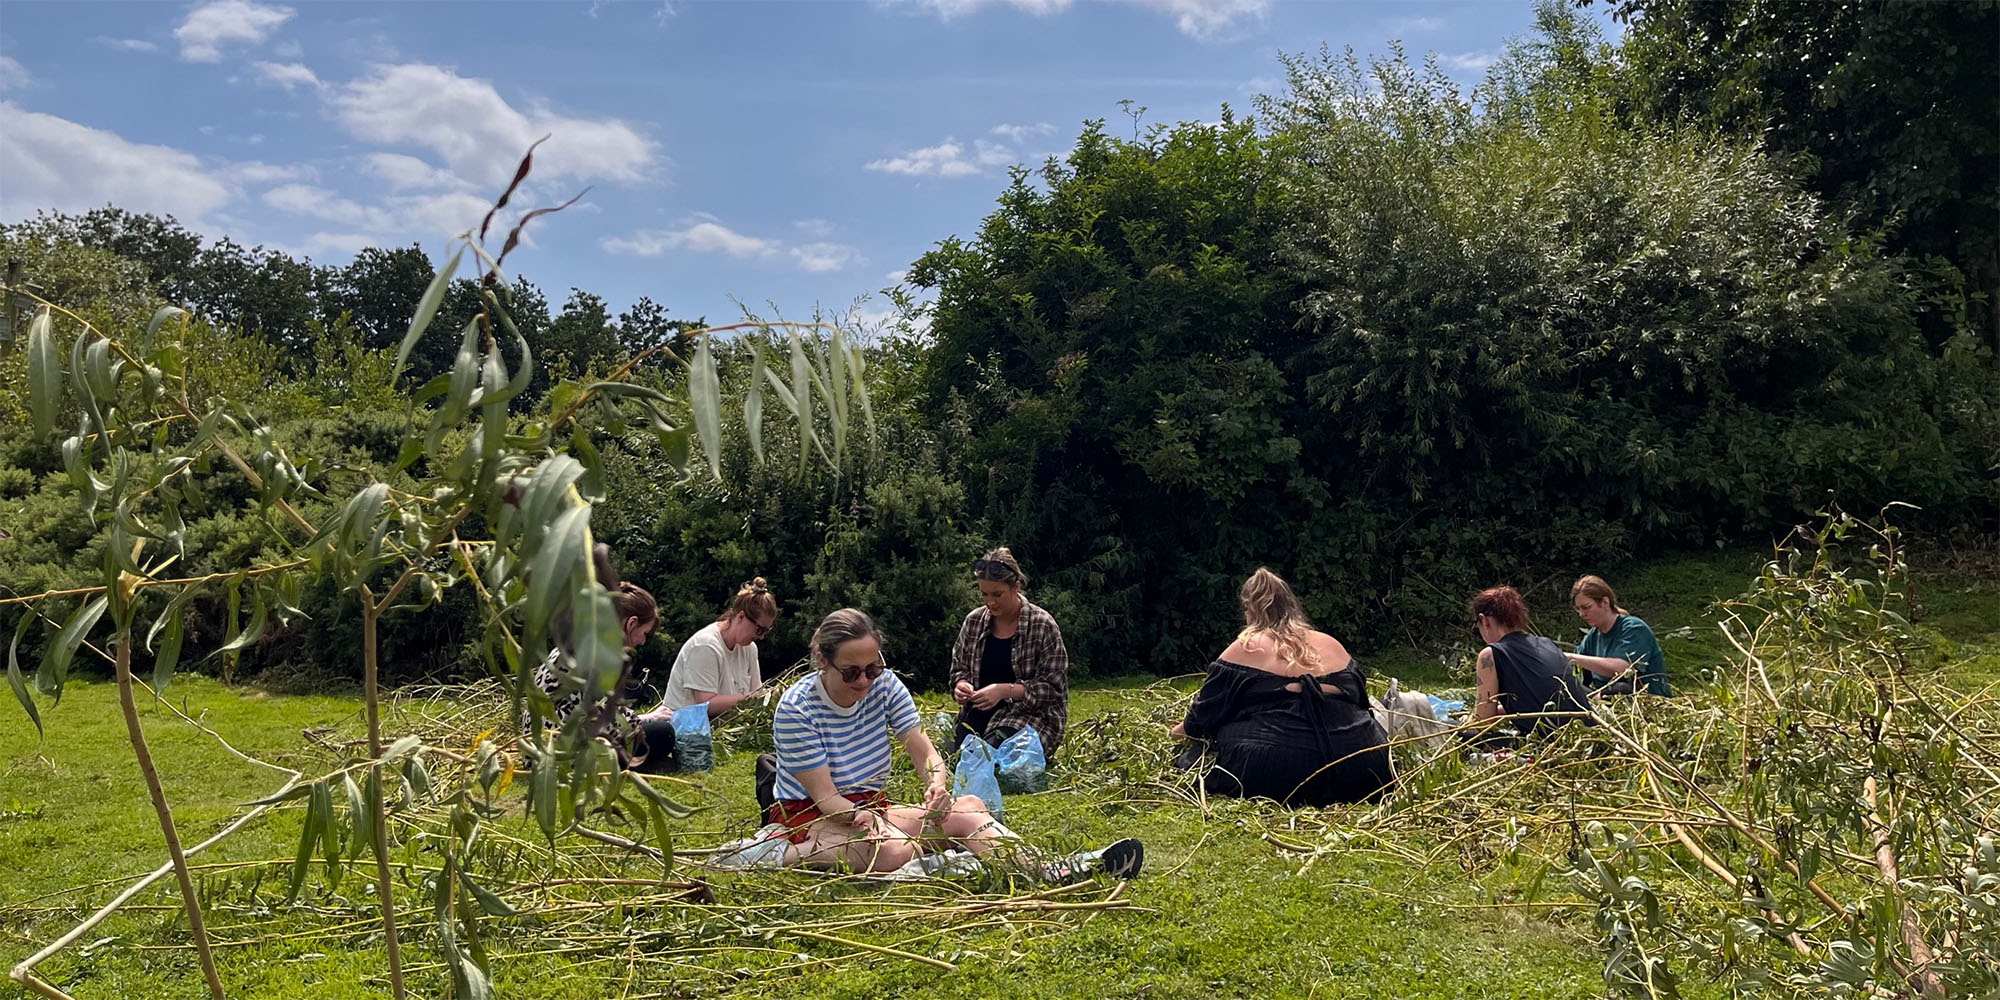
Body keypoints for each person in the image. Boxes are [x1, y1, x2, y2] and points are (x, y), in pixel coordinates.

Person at [758, 608, 1141, 879]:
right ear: (823, 662)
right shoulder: (797, 708)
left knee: (969, 808)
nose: (865, 681)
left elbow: (922, 749)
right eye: (852, 672)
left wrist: (937, 784)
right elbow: (825, 799)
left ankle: (1050, 868)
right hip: (812, 817)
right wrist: (863, 818)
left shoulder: (886, 686)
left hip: (870, 807)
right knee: (895, 849)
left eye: (873, 668)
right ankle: (780, 854)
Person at [1168, 568, 1394, 806]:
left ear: (1250, 610)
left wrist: (1174, 732)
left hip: (1276, 770)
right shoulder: (1333, 645)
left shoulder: (1245, 647)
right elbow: (1362, 704)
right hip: (1365, 766)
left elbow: (1201, 722)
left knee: (1208, 748)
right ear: (1292, 606)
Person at [530, 544, 677, 774]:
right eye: (644, 633)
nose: (642, 641)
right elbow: (602, 716)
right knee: (664, 733)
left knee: (654, 731)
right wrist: (646, 720)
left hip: (538, 747)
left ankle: (638, 762)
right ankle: (636, 764)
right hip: (563, 751)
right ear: (631, 623)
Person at [949, 548, 1070, 756]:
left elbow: (1052, 689)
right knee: (957, 756)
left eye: (997, 594)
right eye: (984, 594)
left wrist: (1004, 690)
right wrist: (961, 685)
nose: (990, 602)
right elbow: (959, 668)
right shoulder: (974, 622)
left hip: (1031, 715)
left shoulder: (1042, 625)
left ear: (1016, 587)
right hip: (981, 712)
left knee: (995, 753)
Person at [1470, 585, 1591, 737]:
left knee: (1463, 736)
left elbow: (1483, 724)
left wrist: (1470, 719)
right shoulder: (1547, 644)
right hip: (1587, 733)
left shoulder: (1491, 655)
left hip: (1547, 742)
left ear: (1484, 620)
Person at [650, 578, 778, 721]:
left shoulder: (749, 649)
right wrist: (750, 698)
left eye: (767, 631)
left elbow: (757, 692)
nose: (761, 637)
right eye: (759, 630)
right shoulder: (706, 645)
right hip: (685, 731)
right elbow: (706, 704)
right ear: (741, 617)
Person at [1566, 575, 1671, 697]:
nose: (1581, 614)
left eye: (1586, 607)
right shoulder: (1593, 636)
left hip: (1643, 702)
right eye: (1578, 609)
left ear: (1605, 602)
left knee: (1621, 688)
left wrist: (1571, 657)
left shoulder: (1634, 629)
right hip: (1605, 703)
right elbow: (1576, 671)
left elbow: (1622, 669)